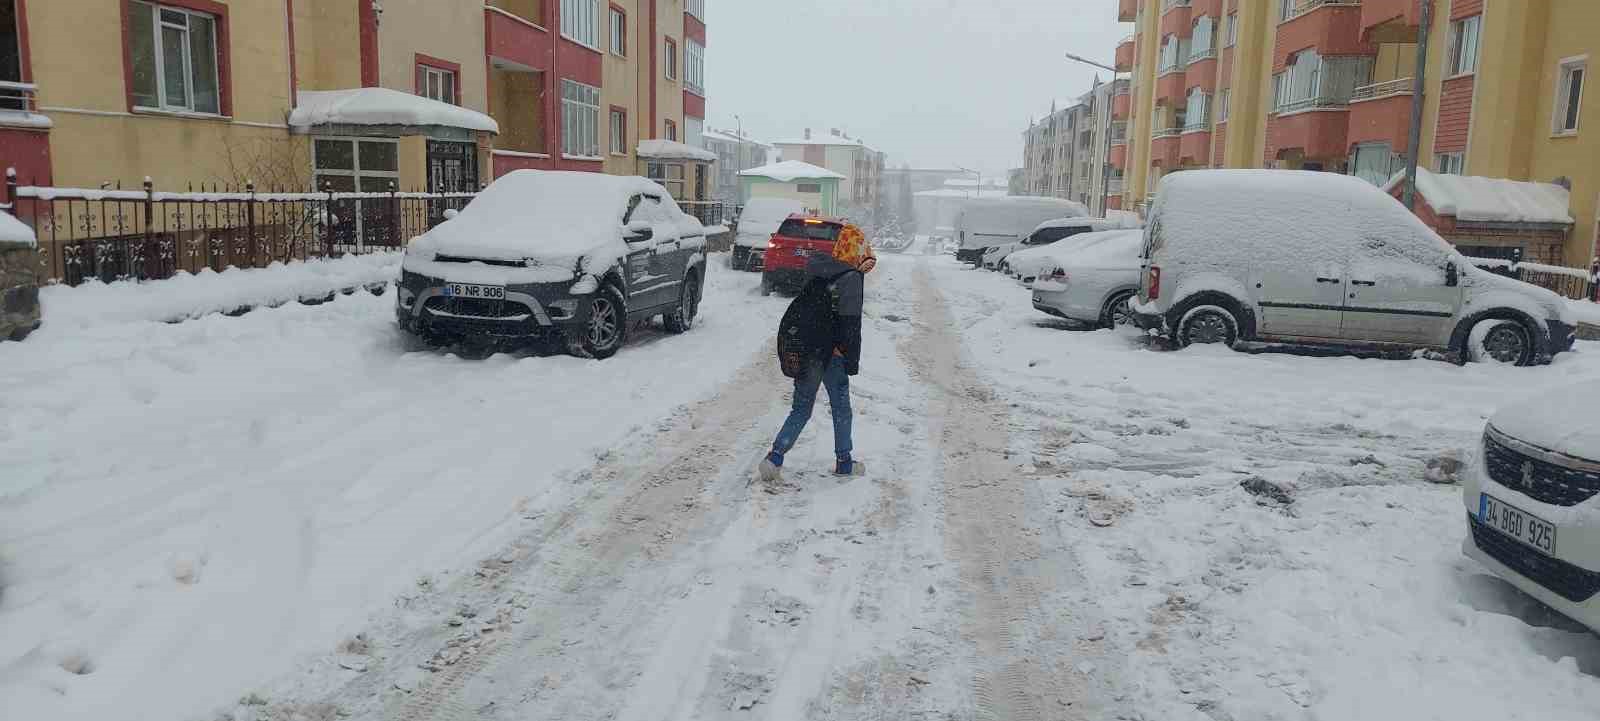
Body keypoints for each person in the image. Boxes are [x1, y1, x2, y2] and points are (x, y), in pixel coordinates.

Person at [758, 224, 877, 481]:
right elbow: (850, 325)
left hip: (807, 348)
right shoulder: (851, 278)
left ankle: (774, 457)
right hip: (831, 353)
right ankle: (844, 461)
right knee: (841, 408)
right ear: (856, 248)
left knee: (801, 409)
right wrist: (852, 361)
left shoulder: (822, 269)